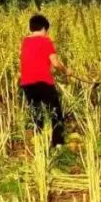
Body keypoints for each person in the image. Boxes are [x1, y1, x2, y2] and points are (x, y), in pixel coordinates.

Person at [19, 14, 67, 146]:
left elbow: (28, 58)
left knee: (36, 113)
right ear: (45, 28)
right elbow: (56, 63)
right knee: (55, 112)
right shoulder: (46, 41)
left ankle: (39, 143)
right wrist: (66, 70)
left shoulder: (25, 41)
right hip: (43, 81)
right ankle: (58, 144)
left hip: (27, 83)